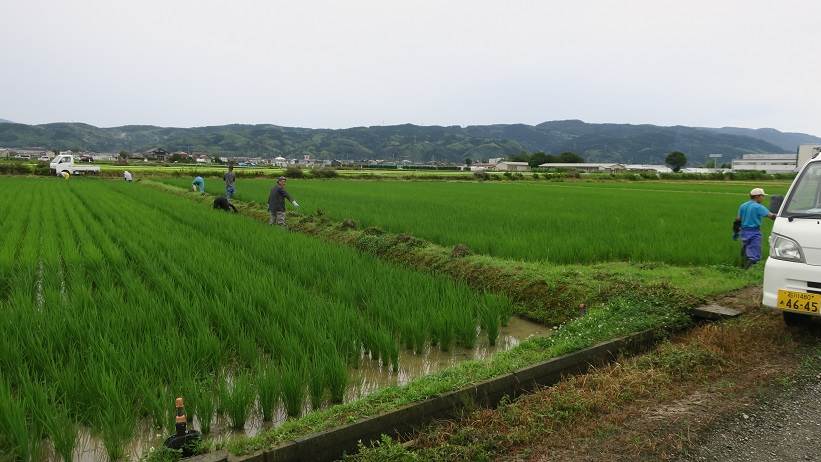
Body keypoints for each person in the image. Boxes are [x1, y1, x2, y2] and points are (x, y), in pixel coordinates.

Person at [736, 187, 776, 269]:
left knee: (746, 251)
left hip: (743, 232)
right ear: (757, 196)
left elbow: (738, 219)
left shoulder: (743, 205)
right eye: (762, 196)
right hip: (754, 232)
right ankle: (747, 271)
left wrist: (736, 231)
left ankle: (742, 267)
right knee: (754, 255)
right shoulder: (758, 207)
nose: (763, 198)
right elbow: (771, 216)